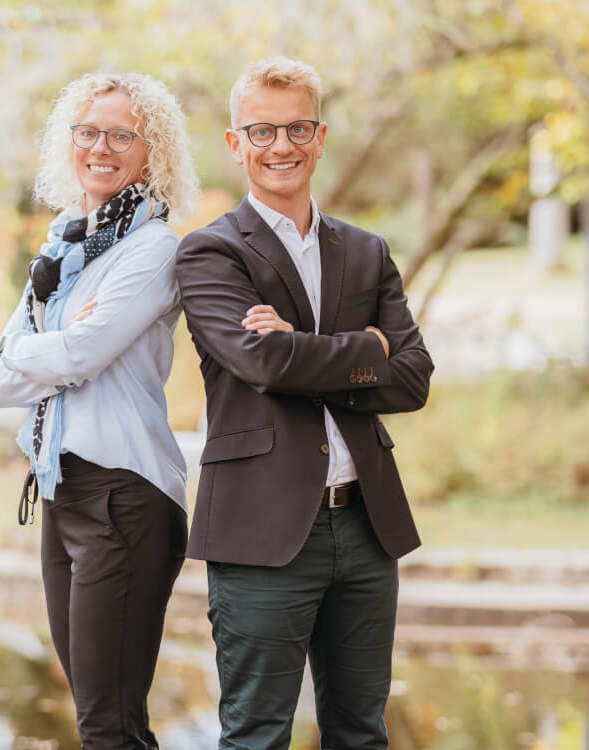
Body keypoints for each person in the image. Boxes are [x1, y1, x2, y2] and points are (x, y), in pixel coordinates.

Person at [175, 57, 434, 750]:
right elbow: (263, 361)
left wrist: (301, 347)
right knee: (257, 736)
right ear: (235, 144)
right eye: (261, 131)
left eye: (296, 129)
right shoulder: (210, 253)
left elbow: (413, 379)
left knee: (361, 734)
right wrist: (366, 349)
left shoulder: (367, 251)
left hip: (367, 526)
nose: (280, 146)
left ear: (320, 138)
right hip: (260, 531)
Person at [0, 72, 198, 749]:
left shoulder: (154, 249)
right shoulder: (62, 248)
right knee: (103, 720)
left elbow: (77, 355)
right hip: (62, 491)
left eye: (121, 135)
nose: (100, 147)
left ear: (152, 151)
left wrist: (31, 349)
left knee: (107, 725)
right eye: (88, 132)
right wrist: (42, 350)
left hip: (124, 496)